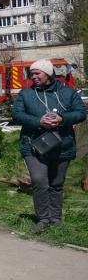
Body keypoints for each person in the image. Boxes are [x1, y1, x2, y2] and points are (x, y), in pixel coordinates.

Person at [11, 59, 87, 233]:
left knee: (56, 182)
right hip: (33, 145)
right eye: (32, 74)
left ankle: (56, 218)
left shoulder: (68, 92)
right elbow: (16, 114)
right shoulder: (26, 94)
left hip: (62, 144)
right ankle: (43, 218)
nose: (34, 77)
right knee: (39, 181)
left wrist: (62, 119)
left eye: (38, 73)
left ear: (48, 73)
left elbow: (81, 112)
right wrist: (39, 121)